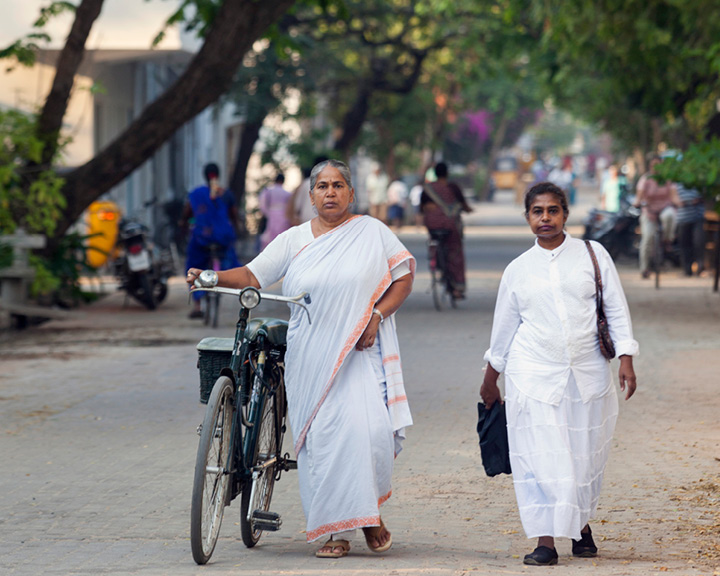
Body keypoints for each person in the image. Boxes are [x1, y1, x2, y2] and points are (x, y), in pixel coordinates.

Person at [186, 159, 415, 558]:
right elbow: (253, 276)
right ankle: (335, 533)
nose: (330, 192)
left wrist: (376, 316)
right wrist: (210, 276)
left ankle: (368, 516)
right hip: (311, 355)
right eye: (322, 186)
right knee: (325, 439)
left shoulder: (372, 232)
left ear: (351, 193)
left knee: (368, 433)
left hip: (358, 351)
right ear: (310, 196)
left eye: (338, 185)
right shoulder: (293, 240)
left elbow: (403, 276)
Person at [480, 182, 638, 567]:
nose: (545, 218)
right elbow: (504, 328)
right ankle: (545, 541)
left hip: (587, 374)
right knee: (541, 457)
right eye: (537, 211)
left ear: (566, 213)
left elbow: (615, 308)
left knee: (581, 457)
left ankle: (580, 526)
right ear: (528, 217)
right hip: (531, 374)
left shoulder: (593, 255)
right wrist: (490, 377)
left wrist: (626, 356)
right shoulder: (518, 270)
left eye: (553, 210)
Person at [180, 162, 240, 318]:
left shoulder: (196, 194)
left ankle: (198, 305)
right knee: (231, 259)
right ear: (218, 175)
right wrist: (236, 229)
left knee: (193, 266)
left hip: (202, 238)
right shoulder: (226, 194)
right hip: (223, 239)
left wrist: (183, 226)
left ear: (204, 175)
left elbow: (187, 213)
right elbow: (234, 215)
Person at [421, 161, 472, 299]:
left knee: (436, 244)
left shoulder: (427, 189)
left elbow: (422, 209)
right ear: (447, 174)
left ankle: (437, 264)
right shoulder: (453, 188)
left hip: (432, 227)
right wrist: (467, 209)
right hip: (450, 227)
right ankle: (457, 288)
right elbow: (464, 205)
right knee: (455, 252)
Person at [633, 156, 681, 279]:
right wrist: (637, 202)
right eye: (653, 165)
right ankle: (644, 268)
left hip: (665, 208)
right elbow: (639, 196)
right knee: (647, 238)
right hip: (649, 211)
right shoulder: (645, 179)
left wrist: (679, 203)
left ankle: (667, 239)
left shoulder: (667, 179)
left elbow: (674, 195)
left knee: (670, 215)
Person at [675, 184, 706, 276]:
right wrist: (683, 202)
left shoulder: (698, 182)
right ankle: (687, 269)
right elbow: (675, 199)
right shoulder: (677, 184)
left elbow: (705, 197)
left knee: (698, 242)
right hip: (683, 218)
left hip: (697, 217)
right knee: (684, 244)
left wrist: (698, 200)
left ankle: (700, 265)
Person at [258, 173, 292, 250]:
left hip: (271, 214)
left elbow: (262, 204)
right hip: (284, 216)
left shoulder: (268, 191)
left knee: (270, 235)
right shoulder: (287, 193)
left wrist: (266, 213)